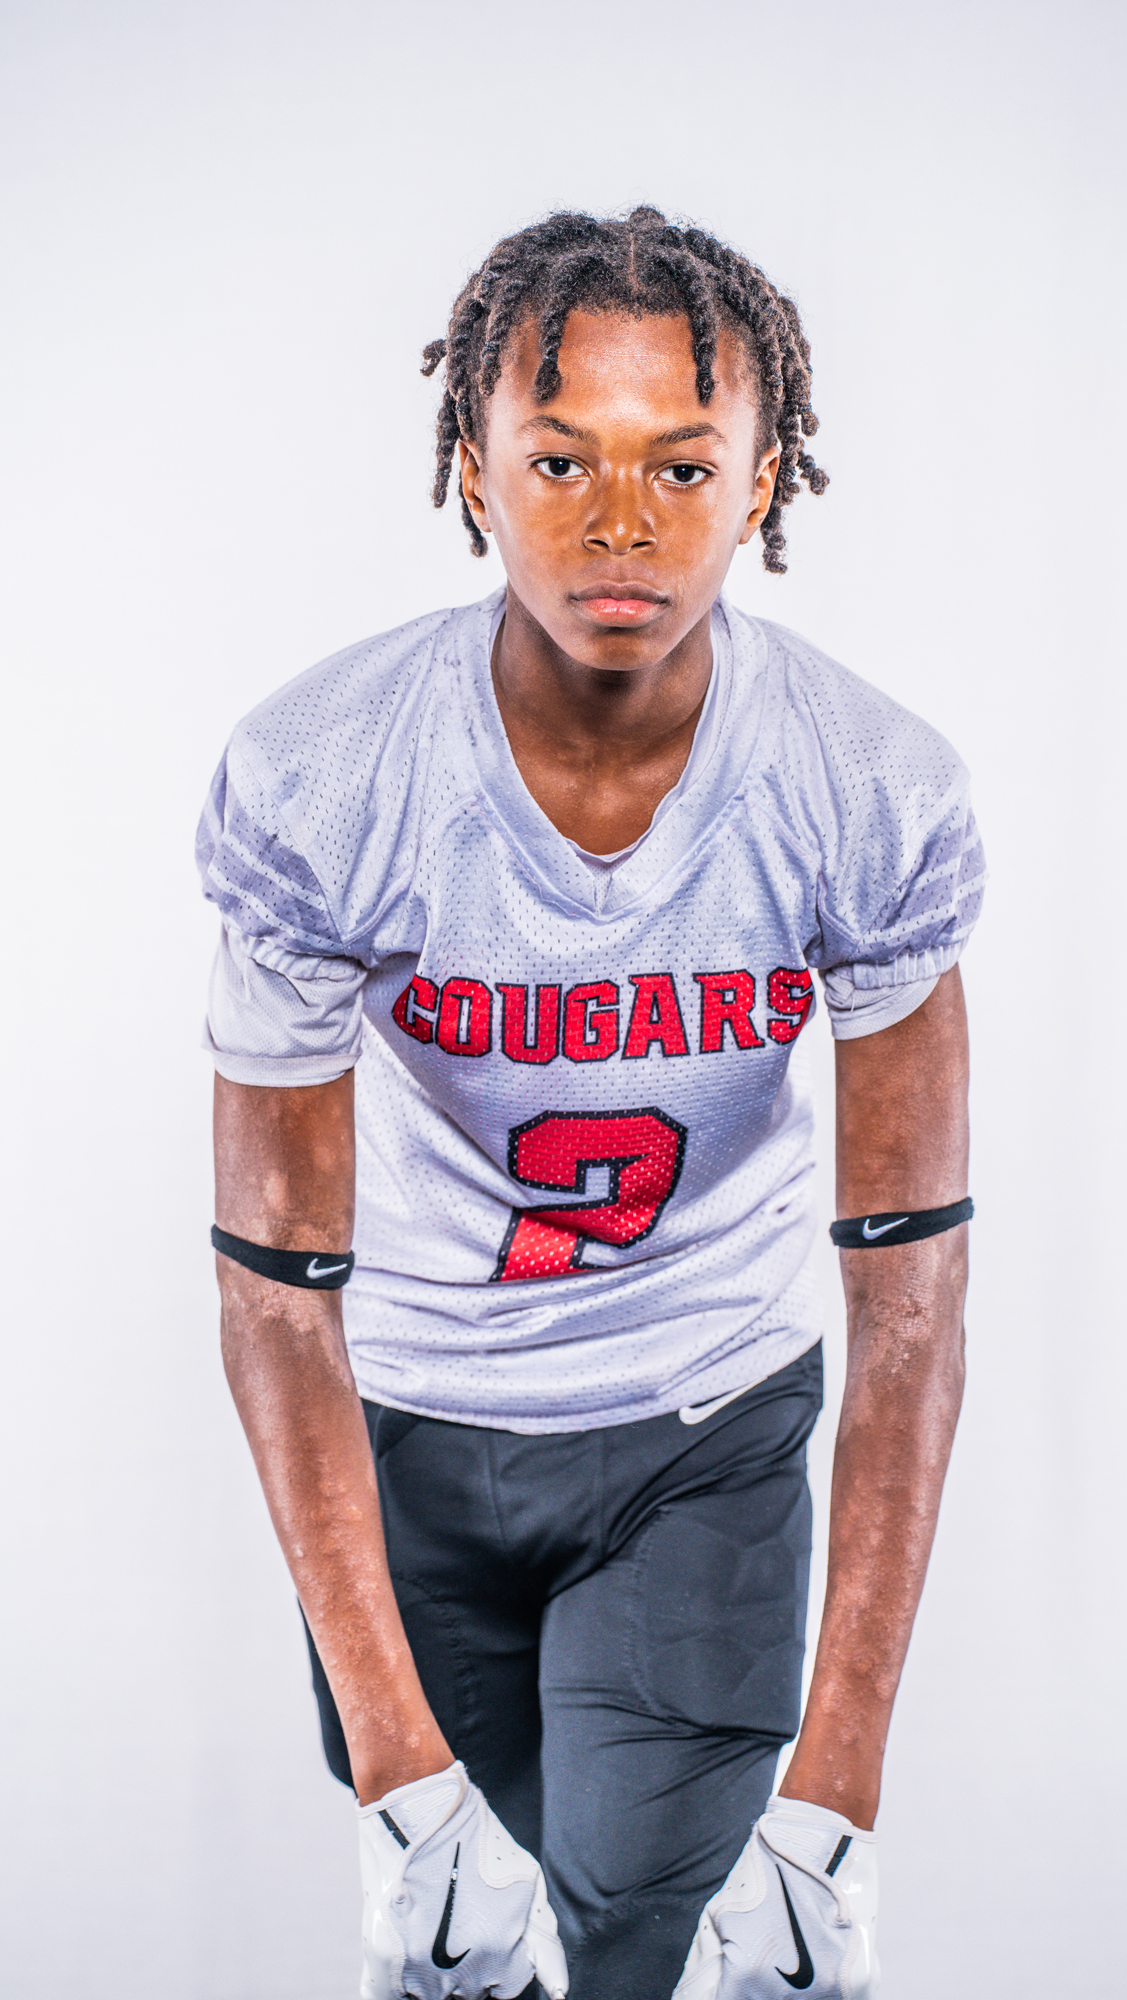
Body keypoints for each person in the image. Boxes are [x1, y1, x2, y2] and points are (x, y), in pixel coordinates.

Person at [199, 206, 983, 2000]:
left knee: (632, 1921)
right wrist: (397, 1782)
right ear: (474, 470)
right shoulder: (325, 774)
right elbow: (272, 1293)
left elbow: (911, 1295)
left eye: (679, 465)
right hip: (410, 1417)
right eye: (560, 458)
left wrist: (836, 1801)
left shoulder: (866, 785)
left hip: (700, 1417)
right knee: (465, 1942)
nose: (620, 520)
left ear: (759, 479)